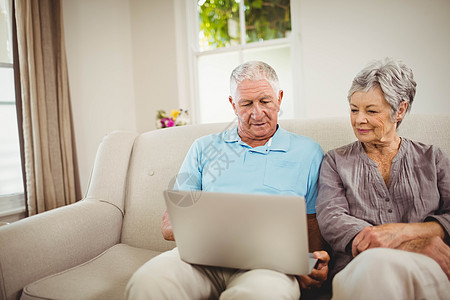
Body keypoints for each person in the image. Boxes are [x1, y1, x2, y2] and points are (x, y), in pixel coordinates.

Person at [126, 61, 330, 299]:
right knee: (148, 283)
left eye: (265, 101)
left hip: (270, 268)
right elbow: (170, 224)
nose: (257, 113)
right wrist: (184, 226)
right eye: (246, 103)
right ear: (233, 104)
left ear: (280, 98)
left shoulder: (308, 152)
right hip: (201, 260)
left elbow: (312, 223)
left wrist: (310, 263)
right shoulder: (203, 148)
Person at [316, 57, 450, 299]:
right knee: (376, 265)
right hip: (359, 268)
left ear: (399, 110)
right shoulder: (335, 161)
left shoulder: (433, 158)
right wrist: (414, 242)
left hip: (425, 267)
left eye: (371, 111)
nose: (359, 120)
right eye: (354, 109)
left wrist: (404, 233)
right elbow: (332, 220)